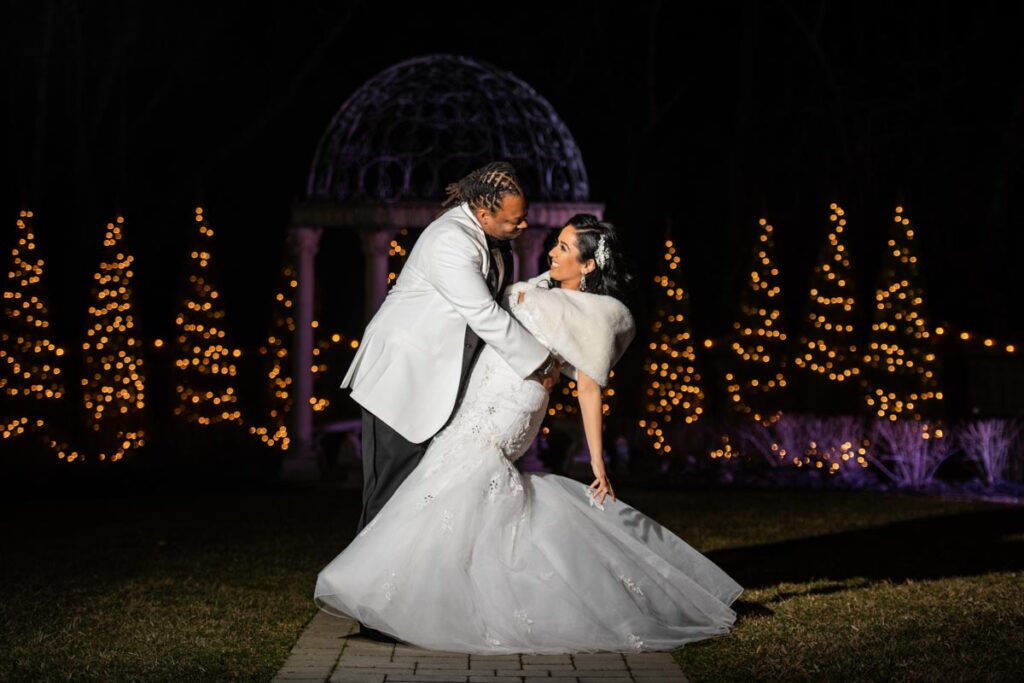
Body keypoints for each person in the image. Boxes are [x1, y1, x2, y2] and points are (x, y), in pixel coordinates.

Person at [316, 214, 744, 653]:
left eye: (563, 248)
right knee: (455, 488)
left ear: (589, 265)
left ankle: (424, 598)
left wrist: (598, 462)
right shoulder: (542, 286)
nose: (551, 252)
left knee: (463, 475)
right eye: (555, 244)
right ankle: (440, 589)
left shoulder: (596, 313)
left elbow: (589, 387)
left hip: (512, 403)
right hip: (481, 395)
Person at [338, 160, 560, 641]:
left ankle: (409, 601)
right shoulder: (450, 241)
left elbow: (506, 302)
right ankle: (371, 612)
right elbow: (482, 313)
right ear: (482, 211)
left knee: (422, 496)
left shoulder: (493, 241)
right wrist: (542, 363)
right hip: (401, 381)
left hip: (441, 384)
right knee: (389, 494)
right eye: (513, 219)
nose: (522, 226)